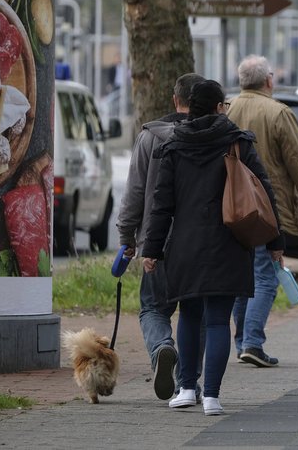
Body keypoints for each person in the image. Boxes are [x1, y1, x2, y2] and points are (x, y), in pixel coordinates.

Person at [142, 80, 283, 416]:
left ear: (190, 107)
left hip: (185, 246)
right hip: (229, 244)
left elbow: (162, 204)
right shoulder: (238, 142)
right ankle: (212, 397)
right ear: (220, 107)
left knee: (189, 316)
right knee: (218, 321)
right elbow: (264, 192)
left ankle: (187, 388)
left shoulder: (173, 146)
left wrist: (152, 248)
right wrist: (276, 242)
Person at [226, 55, 298, 368]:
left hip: (231, 207)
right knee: (265, 276)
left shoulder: (227, 110)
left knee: (242, 277)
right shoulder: (279, 113)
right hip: (268, 207)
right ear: (269, 80)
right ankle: (252, 341)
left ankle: (242, 343)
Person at [116, 72, 204, 401]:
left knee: (154, 309)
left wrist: (127, 238)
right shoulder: (212, 136)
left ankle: (162, 347)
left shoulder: (150, 137)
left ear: (174, 99)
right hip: (200, 243)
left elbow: (135, 193)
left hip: (157, 241)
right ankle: (188, 383)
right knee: (199, 314)